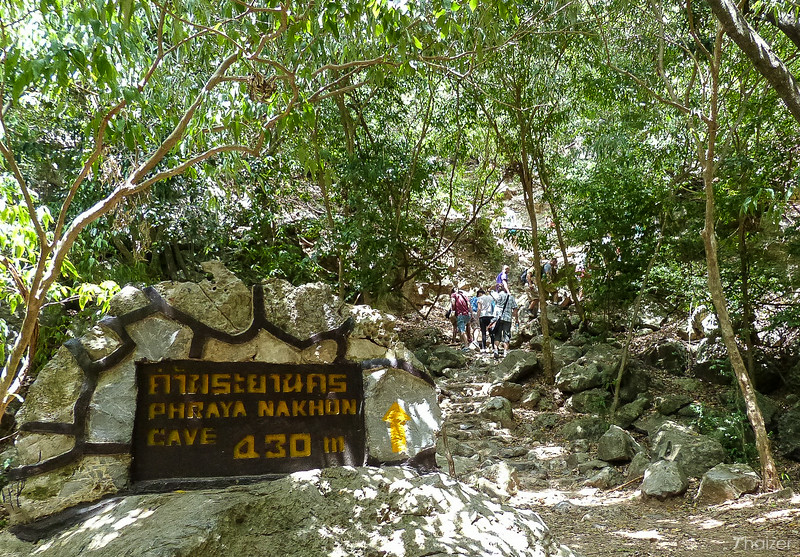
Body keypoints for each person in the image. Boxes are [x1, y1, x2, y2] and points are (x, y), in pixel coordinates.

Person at [492, 289, 518, 359]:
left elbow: (491, 292)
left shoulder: (497, 296)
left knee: (497, 334)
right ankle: (505, 352)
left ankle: (496, 351)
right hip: (507, 319)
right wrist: (516, 319)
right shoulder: (511, 297)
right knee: (506, 335)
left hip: (498, 318)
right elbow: (515, 309)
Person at [450, 287, 473, 351]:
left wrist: (453, 310)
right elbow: (469, 305)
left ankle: (466, 346)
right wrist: (471, 314)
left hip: (460, 314)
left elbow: (453, 302)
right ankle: (463, 343)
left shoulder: (453, 295)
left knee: (462, 330)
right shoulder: (464, 295)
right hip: (467, 314)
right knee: (462, 329)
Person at [476, 288, 495, 352]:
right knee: (491, 333)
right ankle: (493, 347)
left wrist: (477, 317)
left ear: (480, 294)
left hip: (482, 316)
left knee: (483, 332)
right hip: (490, 316)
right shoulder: (490, 297)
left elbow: (479, 308)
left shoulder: (480, 298)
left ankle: (484, 348)